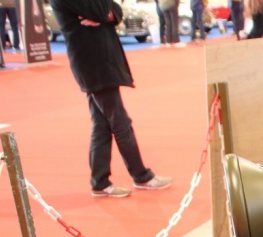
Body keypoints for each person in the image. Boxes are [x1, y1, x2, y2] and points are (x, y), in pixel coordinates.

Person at [48, 0, 172, 197]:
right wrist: (103, 14)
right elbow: (100, 10)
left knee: (102, 123)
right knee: (120, 121)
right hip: (92, 64)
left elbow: (114, 10)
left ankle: (100, 182)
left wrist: (107, 15)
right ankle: (141, 176)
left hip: (101, 62)